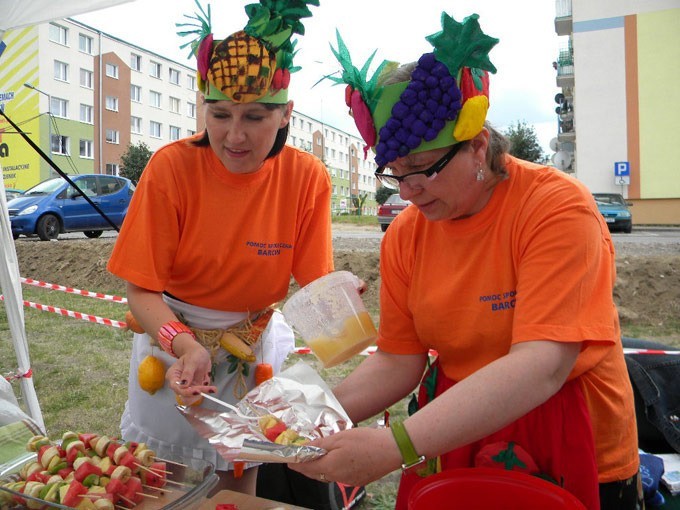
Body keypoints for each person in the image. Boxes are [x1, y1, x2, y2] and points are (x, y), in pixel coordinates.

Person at [289, 13, 641, 510]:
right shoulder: (407, 235)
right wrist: (308, 417)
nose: (408, 192)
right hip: (455, 431)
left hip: (570, 441)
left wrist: (397, 445)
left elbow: (541, 366)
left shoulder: (556, 209)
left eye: (423, 171)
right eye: (394, 175)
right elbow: (398, 361)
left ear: (478, 146)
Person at [107, 0, 331, 496]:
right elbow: (141, 289)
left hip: (252, 344)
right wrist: (185, 346)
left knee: (238, 478)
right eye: (220, 114)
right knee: (164, 482)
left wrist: (340, 305)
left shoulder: (306, 177)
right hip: (172, 344)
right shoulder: (171, 169)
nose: (234, 135)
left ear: (286, 114)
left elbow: (314, 284)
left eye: (254, 116)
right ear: (202, 107)